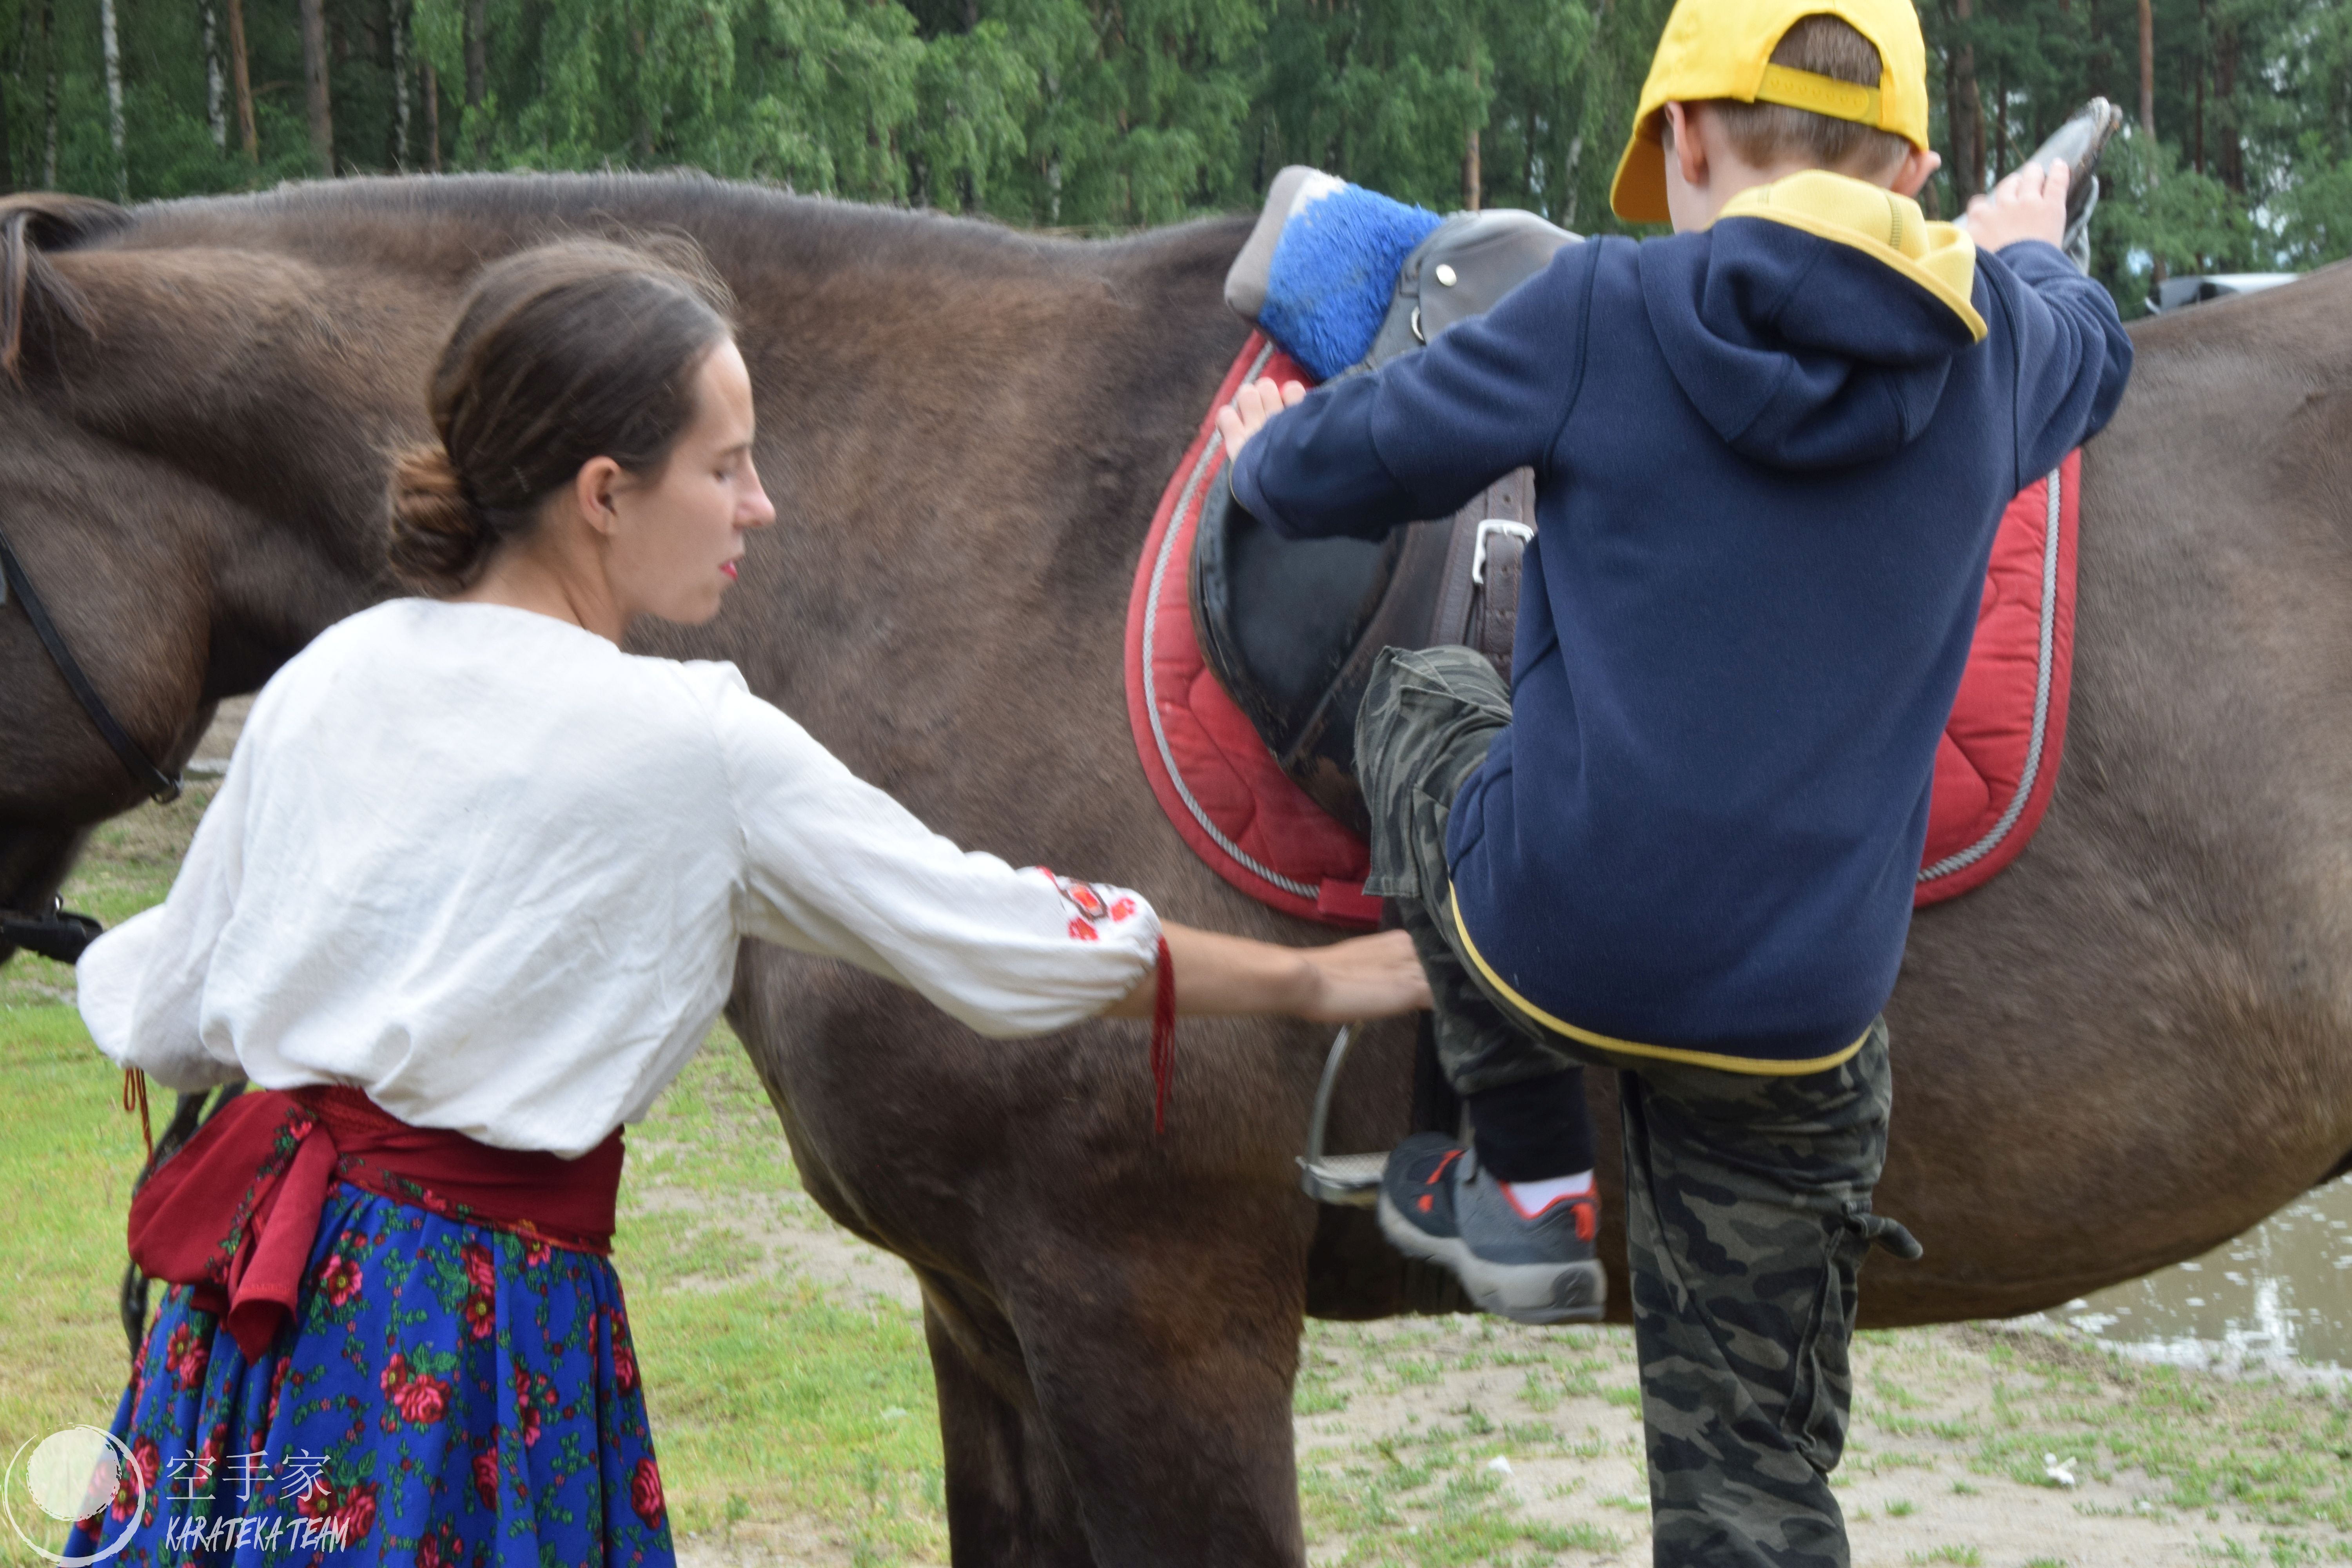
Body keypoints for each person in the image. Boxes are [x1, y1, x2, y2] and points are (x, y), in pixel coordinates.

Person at [65, 235, 1428, 1568]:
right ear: (604, 494)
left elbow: (177, 1010)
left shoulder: (331, 674)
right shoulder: (692, 745)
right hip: (466, 1337)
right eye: (724, 468)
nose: (761, 507)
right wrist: (1310, 978)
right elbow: (998, 933)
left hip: (254, 1305)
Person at [1216, 0, 2133, 1559]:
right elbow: (2096, 348)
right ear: (1914, 172)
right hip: (1802, 1019)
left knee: (1428, 699)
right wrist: (2025, 252)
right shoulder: (2003, 343)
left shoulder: (1602, 306)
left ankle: (1530, 1181)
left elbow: (1348, 464)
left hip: (1552, 938)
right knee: (1751, 1489)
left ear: (1686, 142)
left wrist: (1263, 447)